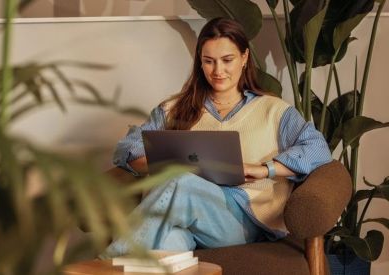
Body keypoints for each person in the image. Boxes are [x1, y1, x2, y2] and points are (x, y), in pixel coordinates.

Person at [100, 17, 332, 258]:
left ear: (244, 58)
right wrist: (165, 165)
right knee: (169, 244)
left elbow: (318, 149)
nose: (218, 71)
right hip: (188, 218)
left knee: (179, 181)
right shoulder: (173, 109)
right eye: (208, 61)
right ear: (200, 63)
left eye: (227, 60)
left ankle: (102, 267)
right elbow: (127, 149)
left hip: (243, 221)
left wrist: (264, 169)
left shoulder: (274, 111)